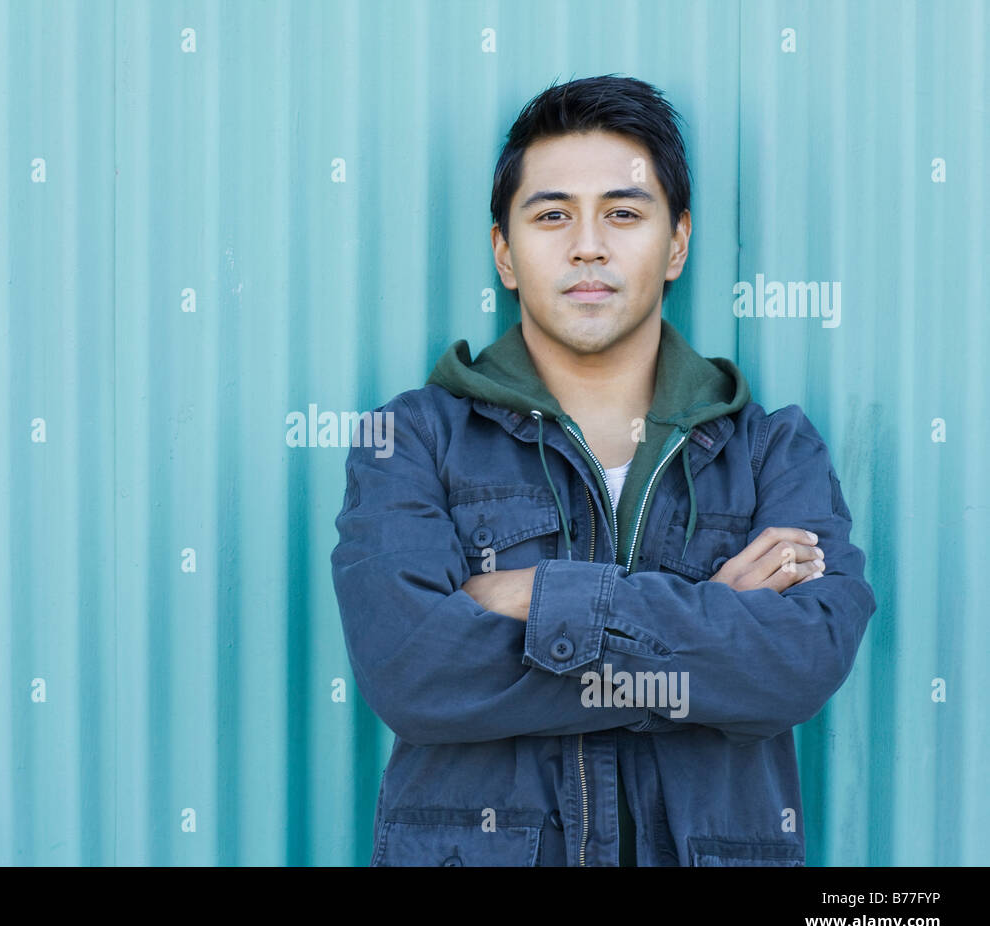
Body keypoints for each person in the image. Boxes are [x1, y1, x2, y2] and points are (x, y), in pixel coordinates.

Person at [329, 74, 877, 866]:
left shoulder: (772, 453)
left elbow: (799, 666)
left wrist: (533, 596)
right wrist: (709, 620)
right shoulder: (412, 440)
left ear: (677, 243)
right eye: (552, 215)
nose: (588, 244)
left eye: (624, 213)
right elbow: (412, 674)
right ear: (504, 253)